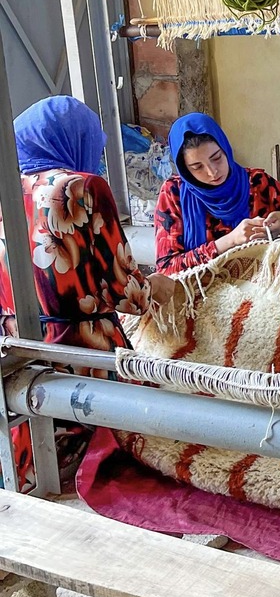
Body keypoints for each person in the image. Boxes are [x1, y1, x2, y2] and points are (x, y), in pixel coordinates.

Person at [0, 96, 174, 484]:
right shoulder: (81, 188)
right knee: (158, 423)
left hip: (14, 348)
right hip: (79, 347)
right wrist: (158, 287)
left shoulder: (6, 187)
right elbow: (126, 291)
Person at [155, 113, 280, 275]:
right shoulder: (174, 193)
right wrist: (229, 241)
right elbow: (166, 269)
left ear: (225, 148)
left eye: (217, 158)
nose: (212, 172)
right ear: (185, 169)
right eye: (197, 167)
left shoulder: (256, 182)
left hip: (258, 288)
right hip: (203, 291)